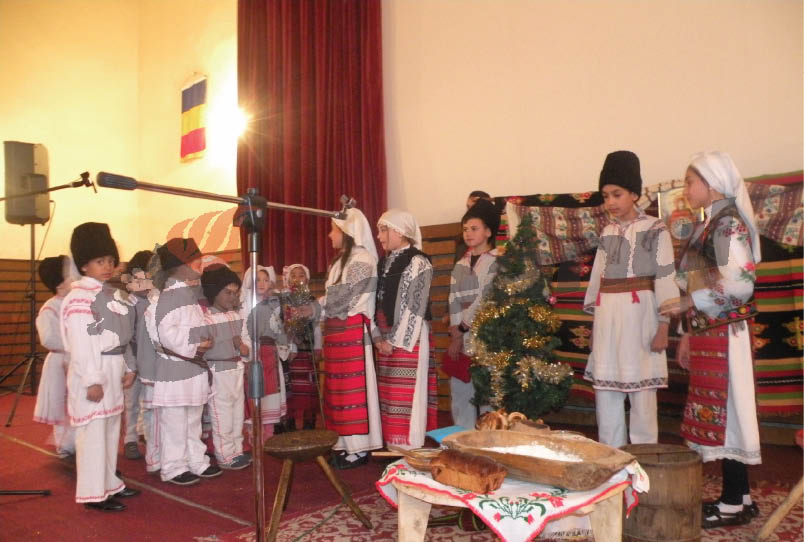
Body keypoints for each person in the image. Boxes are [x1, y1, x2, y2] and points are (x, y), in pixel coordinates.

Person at [664, 151, 762, 529]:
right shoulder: (712, 224)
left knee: (731, 415)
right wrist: (689, 333)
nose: (686, 189)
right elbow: (704, 280)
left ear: (712, 183)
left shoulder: (725, 225)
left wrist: (690, 302)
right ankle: (740, 497)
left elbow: (739, 285)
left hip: (726, 335)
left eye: (690, 182)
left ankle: (733, 503)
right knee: (730, 415)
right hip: (712, 332)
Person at [582, 150, 679, 448]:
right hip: (608, 321)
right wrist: (595, 328)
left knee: (642, 397)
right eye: (605, 196)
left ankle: (645, 459)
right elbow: (597, 281)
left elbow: (665, 276)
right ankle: (611, 457)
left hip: (641, 320)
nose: (610, 202)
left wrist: (663, 325)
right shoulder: (607, 231)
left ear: (634, 194)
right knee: (607, 395)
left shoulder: (655, 229)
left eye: (617, 194)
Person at [61, 222, 139, 511]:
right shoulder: (79, 299)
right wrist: (92, 380)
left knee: (109, 433)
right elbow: (82, 344)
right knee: (93, 435)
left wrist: (128, 367)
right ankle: (93, 493)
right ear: (84, 264)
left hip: (112, 370)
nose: (106, 266)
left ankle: (109, 483)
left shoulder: (109, 295)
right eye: (99, 261)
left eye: (109, 260)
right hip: (93, 373)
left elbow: (121, 336)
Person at [146, 238, 221, 486]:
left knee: (192, 419)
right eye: (194, 259)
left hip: (192, 367)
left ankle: (196, 460)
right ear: (180, 265)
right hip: (175, 367)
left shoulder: (189, 295)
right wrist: (196, 344)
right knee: (175, 421)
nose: (200, 263)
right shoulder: (166, 297)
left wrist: (206, 337)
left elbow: (199, 326)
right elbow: (165, 333)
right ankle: (173, 467)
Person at [320, 208, 382, 468]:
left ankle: (358, 448)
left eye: (333, 229)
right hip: (337, 332)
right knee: (338, 391)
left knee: (352, 392)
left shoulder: (362, 259)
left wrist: (316, 306)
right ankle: (343, 443)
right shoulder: (338, 262)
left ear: (347, 232)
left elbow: (349, 298)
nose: (329, 235)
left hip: (352, 331)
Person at [372, 209, 438, 449]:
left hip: (409, 337)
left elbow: (415, 306)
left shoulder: (418, 261)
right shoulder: (384, 263)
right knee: (390, 394)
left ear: (399, 232)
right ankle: (393, 444)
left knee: (409, 393)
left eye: (383, 230)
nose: (379, 236)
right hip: (386, 336)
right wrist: (378, 337)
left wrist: (393, 340)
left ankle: (410, 446)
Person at [445, 198, 500, 429]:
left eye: (474, 228)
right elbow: (454, 298)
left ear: (488, 232)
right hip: (461, 334)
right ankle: (462, 434)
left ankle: (490, 437)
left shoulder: (497, 261)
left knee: (487, 388)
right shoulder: (461, 264)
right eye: (465, 229)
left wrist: (463, 327)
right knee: (460, 387)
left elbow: (484, 298)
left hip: (486, 333)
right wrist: (456, 335)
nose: (468, 233)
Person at [201, 264, 251, 470]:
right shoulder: (205, 319)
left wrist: (242, 347)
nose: (232, 297)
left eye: (235, 293)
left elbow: (246, 348)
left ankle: (237, 450)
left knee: (238, 413)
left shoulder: (237, 316)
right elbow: (202, 349)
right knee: (222, 414)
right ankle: (225, 454)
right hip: (218, 370)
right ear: (214, 292)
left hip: (236, 368)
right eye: (227, 292)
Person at [32, 255, 77, 457]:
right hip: (59, 361)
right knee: (61, 402)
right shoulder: (50, 307)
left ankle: (77, 440)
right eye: (69, 276)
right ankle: (64, 444)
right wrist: (70, 345)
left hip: (76, 359)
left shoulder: (75, 303)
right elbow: (48, 337)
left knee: (76, 401)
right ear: (59, 283)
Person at [240, 265, 287, 443]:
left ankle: (269, 437)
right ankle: (254, 438)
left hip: (270, 357)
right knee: (254, 396)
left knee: (270, 399)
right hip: (253, 356)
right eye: (257, 280)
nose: (261, 283)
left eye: (266, 280)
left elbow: (278, 329)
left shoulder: (273, 305)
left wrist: (282, 345)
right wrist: (249, 352)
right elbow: (243, 330)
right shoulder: (243, 306)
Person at [120, 250, 154, 461]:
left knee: (151, 402)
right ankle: (130, 439)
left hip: (151, 360)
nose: (145, 284)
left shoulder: (155, 302)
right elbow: (125, 339)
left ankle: (149, 435)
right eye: (139, 280)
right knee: (131, 402)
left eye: (149, 279)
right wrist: (131, 364)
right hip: (132, 360)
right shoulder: (127, 305)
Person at [281, 263, 322, 430]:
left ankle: (309, 425)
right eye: (294, 275)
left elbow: (317, 326)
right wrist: (290, 347)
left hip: (307, 351)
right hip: (288, 354)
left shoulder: (312, 301)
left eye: (301, 275)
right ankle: (289, 425)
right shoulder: (284, 300)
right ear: (288, 279)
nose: (297, 279)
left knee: (308, 391)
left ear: (307, 279)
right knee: (290, 390)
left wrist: (318, 347)